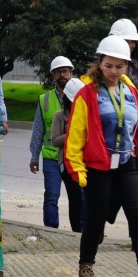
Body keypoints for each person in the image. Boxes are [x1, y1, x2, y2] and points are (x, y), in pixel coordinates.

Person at [64, 36, 138, 277]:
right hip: (97, 166)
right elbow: (76, 134)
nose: (113, 71)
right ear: (99, 64)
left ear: (127, 66)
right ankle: (86, 267)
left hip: (126, 163)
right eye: (108, 65)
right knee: (95, 219)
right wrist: (77, 169)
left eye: (119, 66)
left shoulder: (132, 93)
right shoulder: (87, 94)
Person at [28, 56, 75, 230]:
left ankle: (79, 232)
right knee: (51, 196)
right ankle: (50, 231)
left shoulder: (80, 96)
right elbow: (38, 129)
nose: (62, 75)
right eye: (58, 72)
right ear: (53, 75)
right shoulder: (45, 100)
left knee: (78, 197)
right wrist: (34, 156)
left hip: (74, 157)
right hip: (51, 157)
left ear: (71, 73)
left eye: (65, 71)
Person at [49, 78, 86, 234]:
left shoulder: (88, 113)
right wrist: (74, 133)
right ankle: (78, 231)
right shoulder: (60, 115)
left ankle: (89, 230)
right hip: (67, 163)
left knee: (88, 199)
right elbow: (55, 140)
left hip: (87, 162)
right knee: (77, 198)